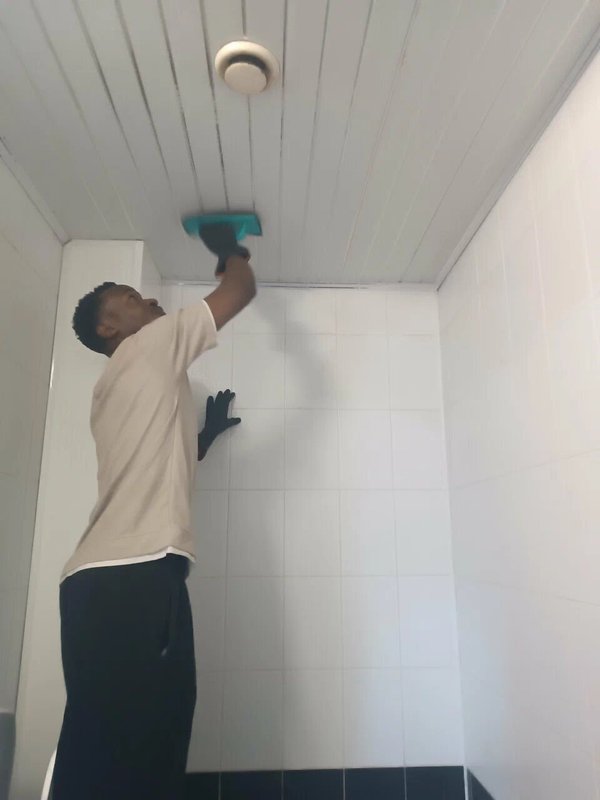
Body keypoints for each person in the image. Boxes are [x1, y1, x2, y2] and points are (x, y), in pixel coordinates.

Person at [51, 225, 256, 799]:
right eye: (131, 297)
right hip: (134, 579)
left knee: (101, 754)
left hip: (97, 585)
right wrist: (230, 248)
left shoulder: (111, 391)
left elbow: (153, 458)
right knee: (148, 754)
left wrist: (202, 438)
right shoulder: (151, 345)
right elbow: (239, 291)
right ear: (108, 328)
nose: (148, 299)